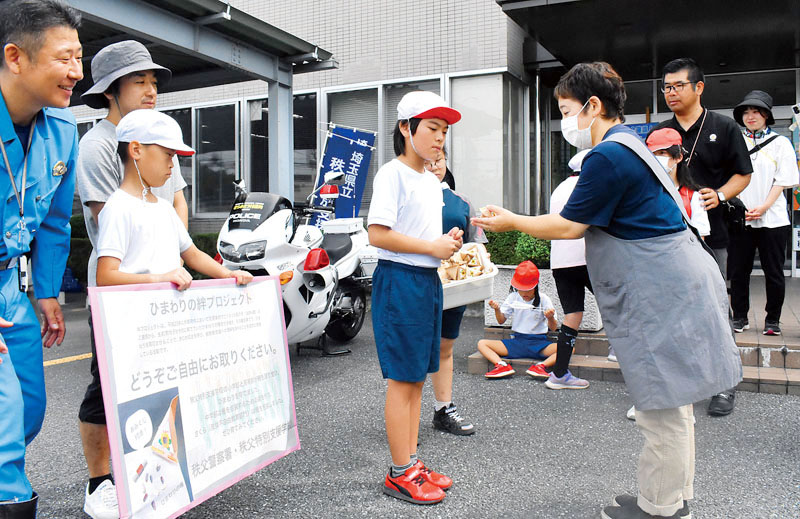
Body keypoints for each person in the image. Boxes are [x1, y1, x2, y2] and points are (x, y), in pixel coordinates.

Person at [473, 62, 741, 519]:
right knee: (673, 399)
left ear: (593, 106)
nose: (564, 122)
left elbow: (570, 225)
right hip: (676, 280)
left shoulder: (607, 155)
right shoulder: (630, 144)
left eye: (566, 110)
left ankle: (660, 507)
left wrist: (513, 220)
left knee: (660, 403)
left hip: (660, 288)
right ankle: (673, 497)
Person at [75, 40, 187, 519]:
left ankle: (152, 474)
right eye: (138, 81)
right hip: (120, 291)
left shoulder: (159, 134)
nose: (150, 90)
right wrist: (158, 266)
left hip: (163, 285)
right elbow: (111, 221)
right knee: (107, 387)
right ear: (110, 91)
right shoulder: (98, 145)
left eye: (153, 81)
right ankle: (99, 481)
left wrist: (177, 254)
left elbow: (175, 202)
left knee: (160, 381)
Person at [0, 1, 82, 515]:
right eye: (64, 58)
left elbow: (53, 222)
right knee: (3, 425)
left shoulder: (62, 131)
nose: (77, 72)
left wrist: (47, 291)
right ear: (16, 57)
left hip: (10, 286)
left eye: (79, 57)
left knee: (28, 408)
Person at [367, 91, 463, 505]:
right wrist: (430, 247)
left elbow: (419, 235)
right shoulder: (392, 174)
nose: (440, 138)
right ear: (406, 128)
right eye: (433, 128)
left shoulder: (429, 179)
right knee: (403, 381)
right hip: (401, 281)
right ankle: (399, 473)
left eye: (444, 131)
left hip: (425, 281)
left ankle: (411, 462)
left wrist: (445, 241)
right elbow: (377, 234)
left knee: (417, 379)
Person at [652, 58, 752, 418]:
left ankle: (725, 383)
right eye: (667, 87)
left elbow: (743, 174)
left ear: (699, 87)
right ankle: (679, 381)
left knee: (715, 307)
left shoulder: (723, 127)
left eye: (678, 85)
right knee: (672, 308)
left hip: (713, 236)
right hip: (667, 236)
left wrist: (720, 194)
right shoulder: (661, 131)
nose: (671, 92)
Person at [96, 110, 252, 289]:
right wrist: (160, 279)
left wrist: (228, 274)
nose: (172, 164)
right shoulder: (118, 208)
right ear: (136, 150)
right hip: (138, 306)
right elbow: (105, 276)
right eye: (168, 155)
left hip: (167, 305)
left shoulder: (164, 207)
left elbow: (193, 255)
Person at [729, 90, 799, 336]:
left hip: (774, 218)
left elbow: (783, 180)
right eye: (746, 112)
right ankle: (740, 317)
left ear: (767, 115)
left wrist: (764, 206)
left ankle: (773, 320)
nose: (750, 116)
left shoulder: (781, 143)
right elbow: (727, 176)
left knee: (774, 272)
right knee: (739, 272)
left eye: (756, 112)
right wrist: (740, 205)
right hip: (742, 218)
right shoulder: (735, 141)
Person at [425, 149, 484, 435]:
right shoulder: (408, 198)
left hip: (453, 286)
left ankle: (443, 408)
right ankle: (405, 421)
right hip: (417, 283)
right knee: (414, 350)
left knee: (445, 346)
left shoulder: (461, 202)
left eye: (439, 160)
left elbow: (477, 247)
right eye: (428, 161)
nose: (434, 166)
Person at [546, 150, 593, 389]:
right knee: (619, 306)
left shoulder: (559, 188)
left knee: (572, 314)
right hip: (587, 257)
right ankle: (618, 351)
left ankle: (559, 373)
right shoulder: (590, 185)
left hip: (561, 261)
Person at [478, 261, 561, 380]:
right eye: (521, 289)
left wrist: (550, 317)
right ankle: (501, 366)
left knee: (569, 348)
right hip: (517, 342)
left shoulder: (544, 299)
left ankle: (540, 366)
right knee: (482, 343)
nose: (524, 293)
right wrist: (497, 309)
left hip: (539, 344)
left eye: (528, 289)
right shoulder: (513, 297)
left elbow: (553, 328)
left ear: (535, 286)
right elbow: (501, 321)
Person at [645, 128, 710, 238]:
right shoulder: (643, 192)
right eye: (653, 154)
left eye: (662, 153)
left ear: (678, 157)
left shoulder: (692, 196)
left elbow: (700, 238)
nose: (657, 158)